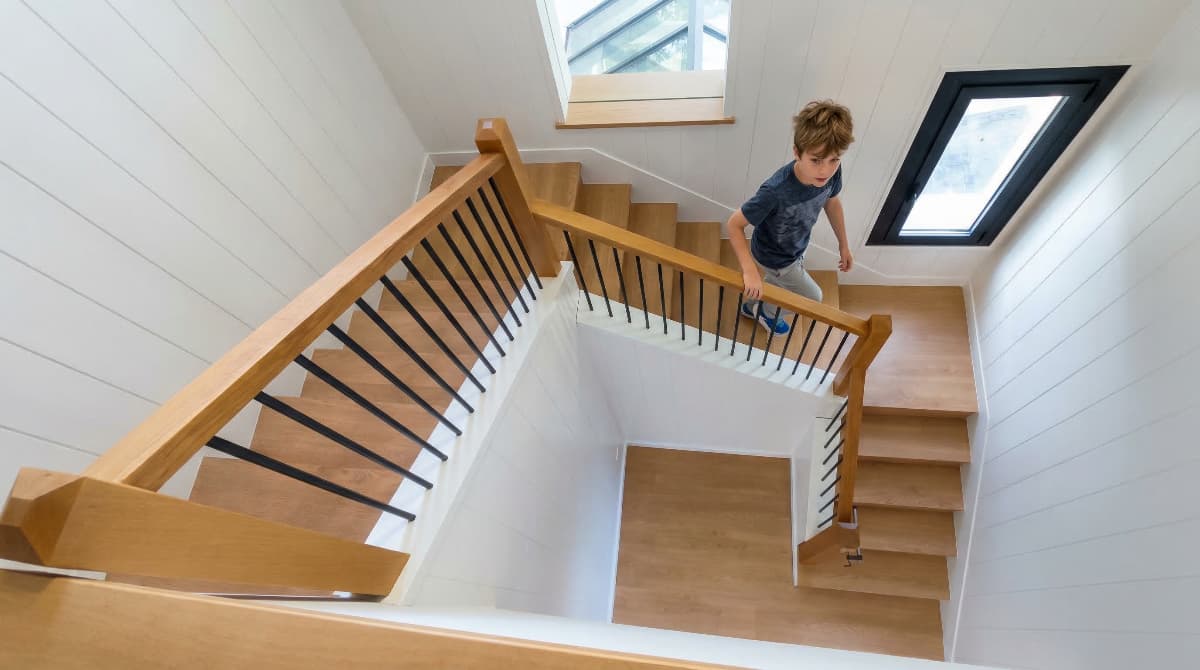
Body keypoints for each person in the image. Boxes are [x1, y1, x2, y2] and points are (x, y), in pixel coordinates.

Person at [726, 100, 855, 335]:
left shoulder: (832, 173)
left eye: (833, 160)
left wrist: (843, 245)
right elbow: (734, 225)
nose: (825, 170)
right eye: (816, 160)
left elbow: (832, 202)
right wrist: (749, 271)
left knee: (779, 285)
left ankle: (753, 306)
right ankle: (766, 312)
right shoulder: (775, 191)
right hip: (774, 257)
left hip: (796, 245)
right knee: (813, 297)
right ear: (797, 153)